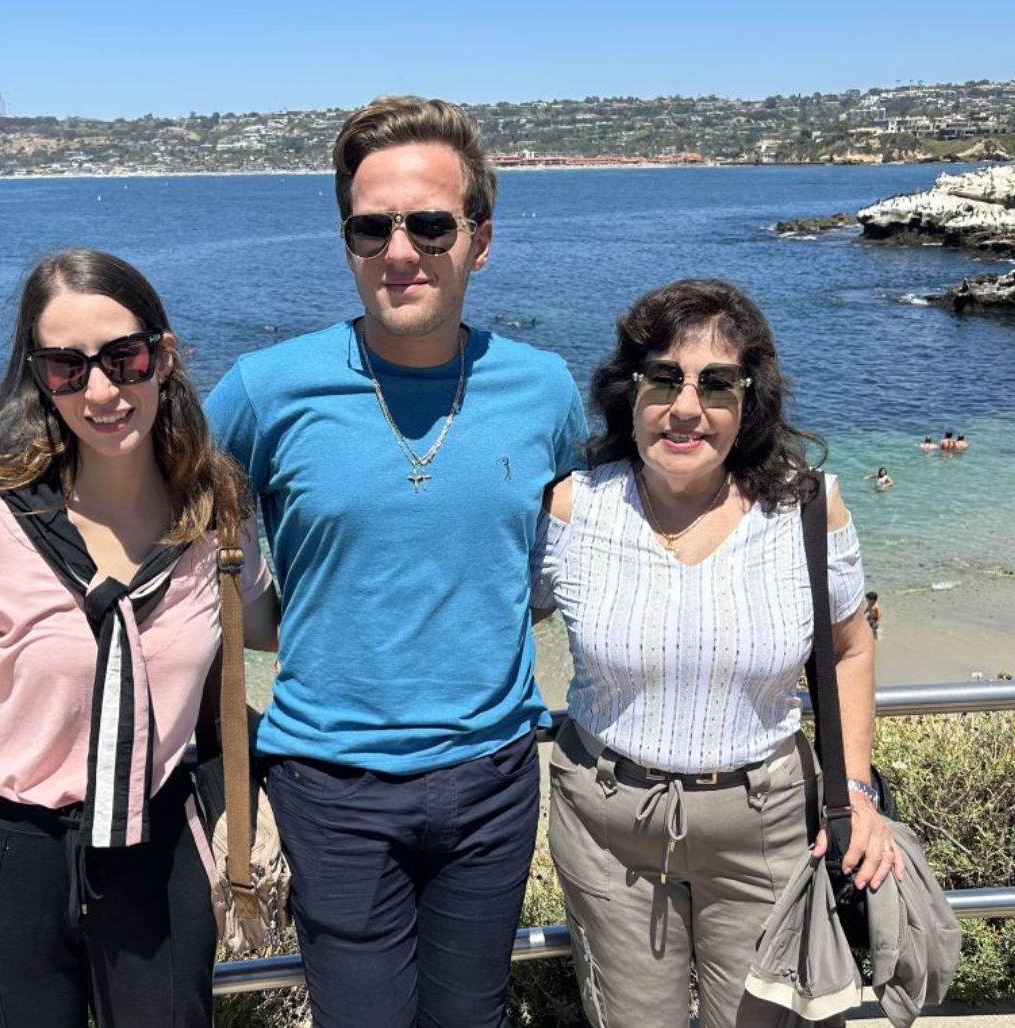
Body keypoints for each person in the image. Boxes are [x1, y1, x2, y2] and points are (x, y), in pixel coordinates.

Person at [205, 96, 586, 1028]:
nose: (400, 251)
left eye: (429, 224)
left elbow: (583, 537)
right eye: (371, 227)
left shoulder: (543, 388)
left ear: (480, 239)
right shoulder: (267, 388)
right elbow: (167, 511)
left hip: (493, 776)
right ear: (347, 239)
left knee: (472, 1017)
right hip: (329, 782)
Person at [0, 249, 279, 1028]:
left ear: (163, 357)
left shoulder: (214, 523)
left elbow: (279, 629)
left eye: (123, 358)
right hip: (10, 856)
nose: (101, 390)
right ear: (40, 378)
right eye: (67, 368)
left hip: (160, 851)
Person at [533, 279, 900, 1028]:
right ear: (628, 392)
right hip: (608, 823)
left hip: (765, 822)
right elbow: (483, 621)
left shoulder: (805, 507)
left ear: (750, 399)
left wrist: (855, 792)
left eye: (717, 383)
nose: (687, 408)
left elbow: (849, 648)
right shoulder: (573, 508)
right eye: (664, 379)